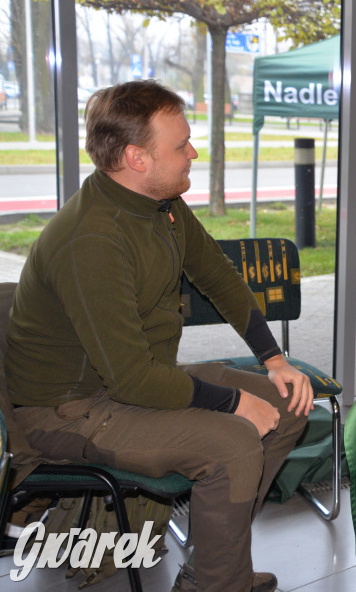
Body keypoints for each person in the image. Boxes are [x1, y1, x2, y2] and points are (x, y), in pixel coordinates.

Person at [3, 80, 312, 592]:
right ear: (135, 158)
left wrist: (273, 358)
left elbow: (219, 276)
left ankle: (214, 569)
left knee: (289, 404)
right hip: (68, 410)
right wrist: (234, 402)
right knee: (234, 442)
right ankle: (219, 582)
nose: (194, 152)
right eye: (181, 145)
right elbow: (132, 382)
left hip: (133, 382)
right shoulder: (92, 240)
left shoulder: (161, 203)